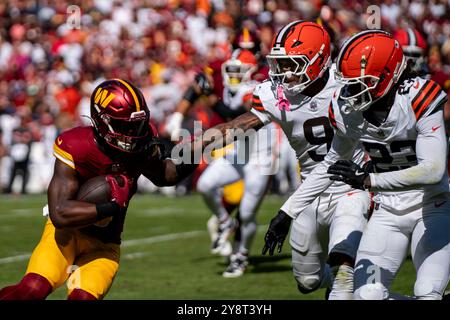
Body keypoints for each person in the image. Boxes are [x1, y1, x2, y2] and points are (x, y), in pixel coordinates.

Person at [263, 30, 450, 300]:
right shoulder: (346, 110)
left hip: (432, 208)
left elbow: (433, 170)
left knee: (427, 291)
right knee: (366, 295)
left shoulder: (419, 97)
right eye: (349, 83)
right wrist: (288, 211)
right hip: (387, 212)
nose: (350, 91)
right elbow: (331, 163)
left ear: (387, 76)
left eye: (360, 83)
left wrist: (369, 181)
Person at [190, 21, 371, 298]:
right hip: (309, 193)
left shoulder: (346, 86)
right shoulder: (275, 94)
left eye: (292, 64)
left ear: (318, 60)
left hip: (349, 189)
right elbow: (239, 124)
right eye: (281, 64)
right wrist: (195, 144)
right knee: (308, 282)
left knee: (343, 274)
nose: (285, 73)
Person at [0, 79, 198, 300]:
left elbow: (164, 175)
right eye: (126, 125)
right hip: (65, 236)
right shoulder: (77, 145)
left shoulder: (140, 144)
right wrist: (111, 206)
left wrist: (198, 150)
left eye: (138, 124)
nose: (134, 132)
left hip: (104, 245)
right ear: (103, 121)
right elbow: (59, 213)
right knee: (31, 291)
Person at [168, 49, 277, 277]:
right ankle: (225, 221)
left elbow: (234, 115)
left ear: (251, 71)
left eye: (239, 71)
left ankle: (241, 257)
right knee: (205, 185)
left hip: (260, 158)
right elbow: (204, 93)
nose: (233, 76)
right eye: (231, 70)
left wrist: (210, 99)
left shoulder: (256, 89)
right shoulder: (230, 89)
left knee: (247, 213)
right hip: (239, 153)